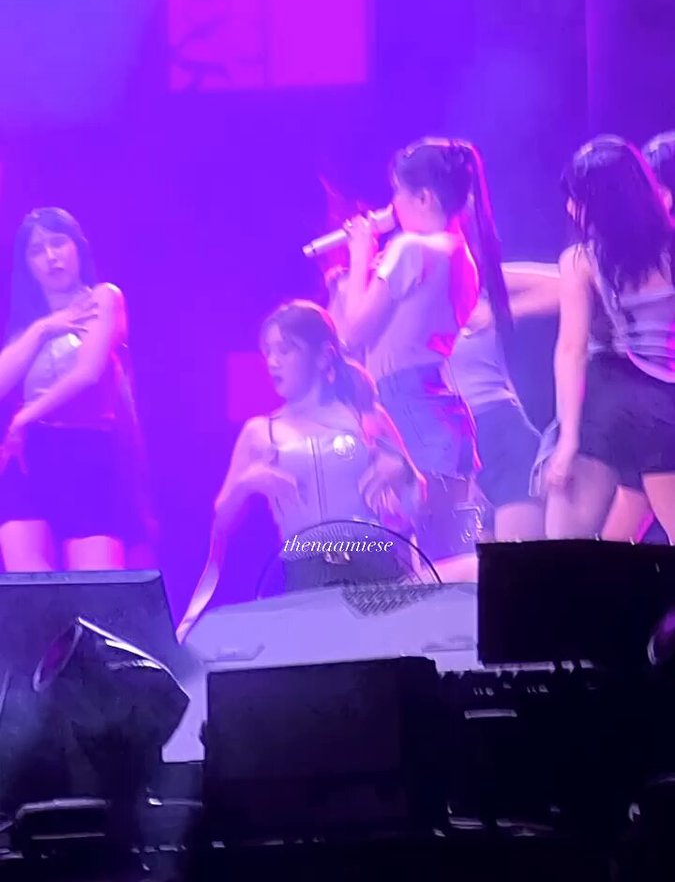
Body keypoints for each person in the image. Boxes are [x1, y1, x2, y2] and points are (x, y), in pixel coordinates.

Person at [177, 301, 424, 641]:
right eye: (268, 352)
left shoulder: (366, 418)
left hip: (376, 566)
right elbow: (221, 521)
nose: (273, 362)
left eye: (286, 349)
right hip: (306, 574)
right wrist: (248, 483)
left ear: (323, 356)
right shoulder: (260, 432)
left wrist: (403, 472)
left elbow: (419, 498)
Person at [338, 137, 511, 567]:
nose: (392, 204)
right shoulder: (465, 259)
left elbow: (352, 332)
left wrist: (360, 255)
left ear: (424, 197)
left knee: (432, 565)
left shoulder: (411, 249)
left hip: (406, 409)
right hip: (438, 411)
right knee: (449, 557)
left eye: (397, 192)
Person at [0, 207, 149, 571]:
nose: (50, 257)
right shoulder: (29, 327)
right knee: (30, 586)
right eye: (37, 250)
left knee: (96, 588)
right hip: (30, 454)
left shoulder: (103, 298)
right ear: (27, 265)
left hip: (88, 450)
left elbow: (88, 373)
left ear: (77, 247)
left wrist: (25, 416)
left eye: (57, 243)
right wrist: (46, 328)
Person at [544, 137, 675, 542]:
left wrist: (568, 439)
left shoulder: (582, 260)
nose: (570, 208)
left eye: (576, 199)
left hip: (615, 407)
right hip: (666, 407)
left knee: (564, 550)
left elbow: (571, 350)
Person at [446, 260, 559, 543]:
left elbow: (566, 285)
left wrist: (498, 313)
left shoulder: (471, 278)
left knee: (516, 562)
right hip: (446, 443)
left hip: (501, 433)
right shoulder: (392, 297)